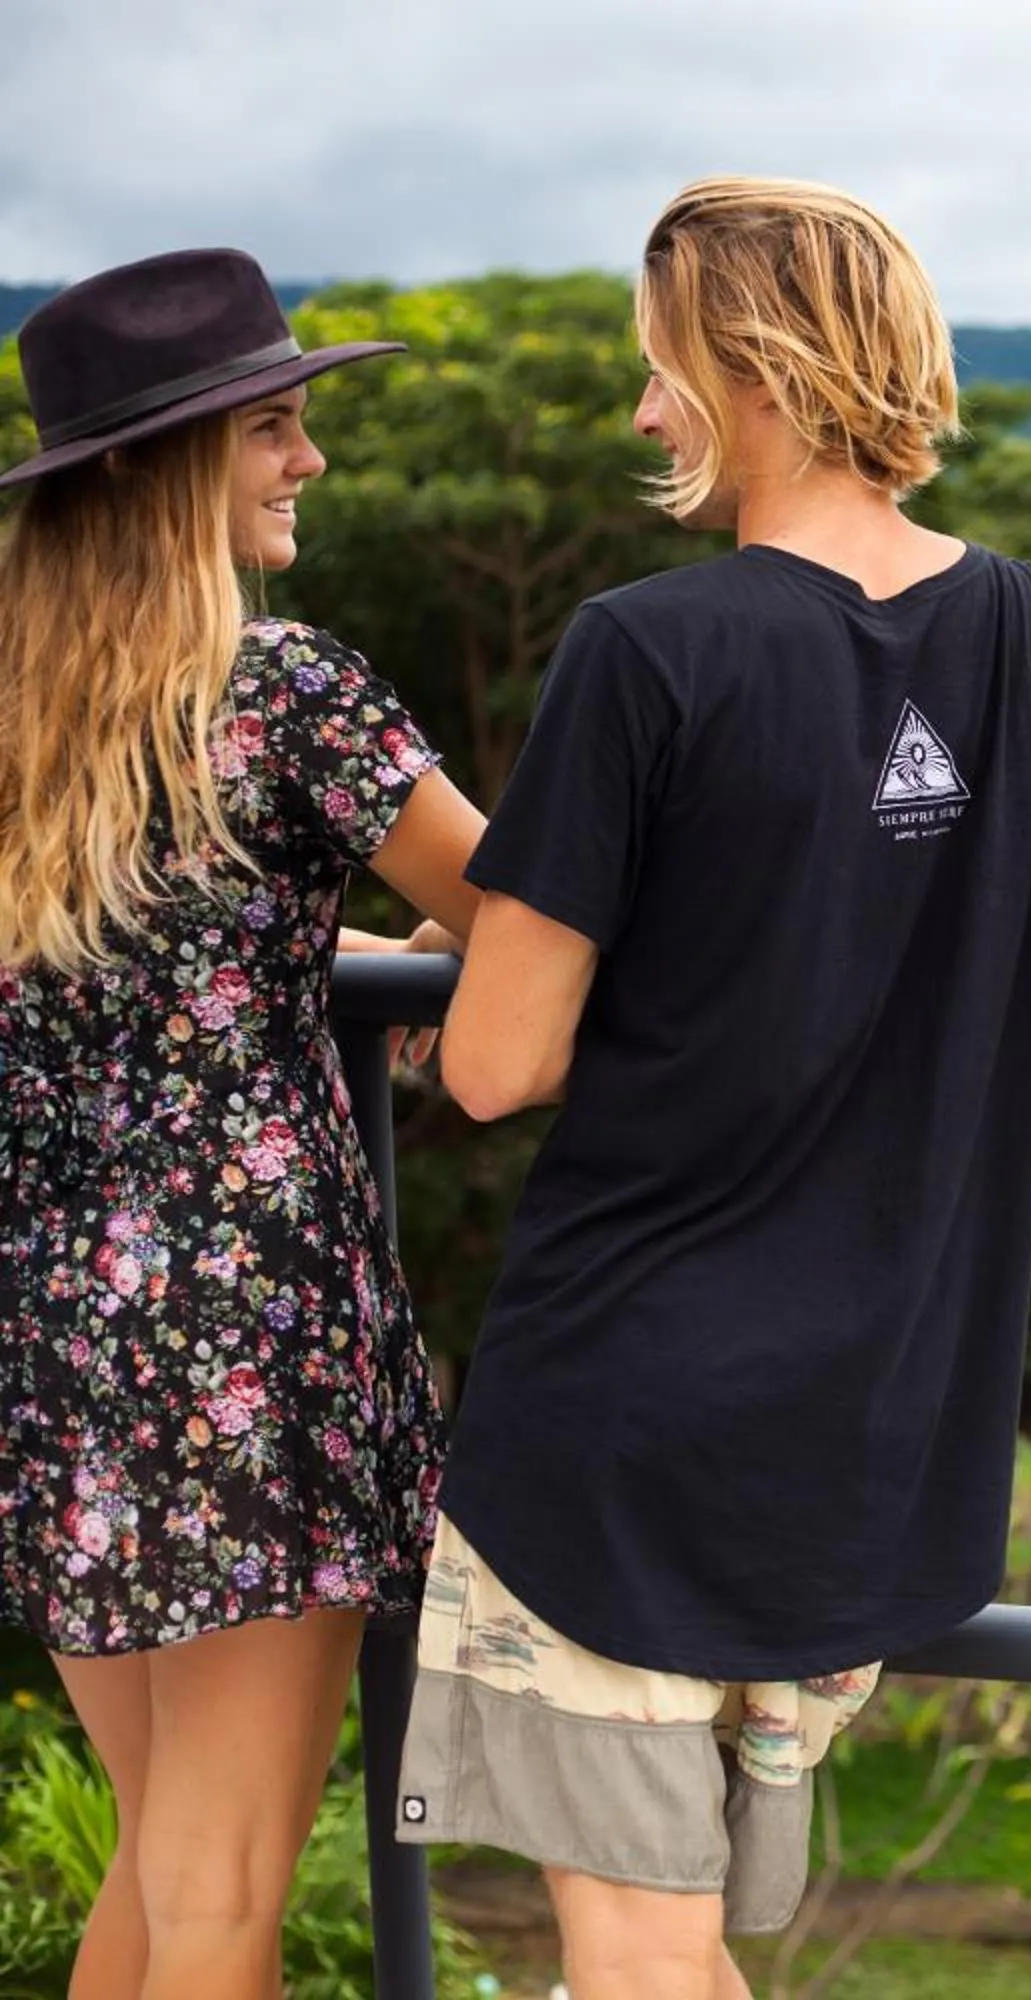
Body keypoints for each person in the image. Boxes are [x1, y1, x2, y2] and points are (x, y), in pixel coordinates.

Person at [399, 179, 1031, 2000]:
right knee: (672, 1952)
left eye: (661, 370)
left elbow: (495, 1062)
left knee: (631, 1956)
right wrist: (960, 916)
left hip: (626, 1419)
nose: (645, 415)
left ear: (754, 369)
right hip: (874, 1426)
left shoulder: (646, 649)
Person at [0, 249, 487, 2000]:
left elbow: (148, 947)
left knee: (156, 1862)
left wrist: (341, 947)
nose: (313, 462)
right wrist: (435, 953)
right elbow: (534, 911)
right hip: (243, 1345)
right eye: (277, 429)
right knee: (220, 1893)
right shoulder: (285, 692)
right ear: (161, 466)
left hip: (54, 1341)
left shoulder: (15, 708)